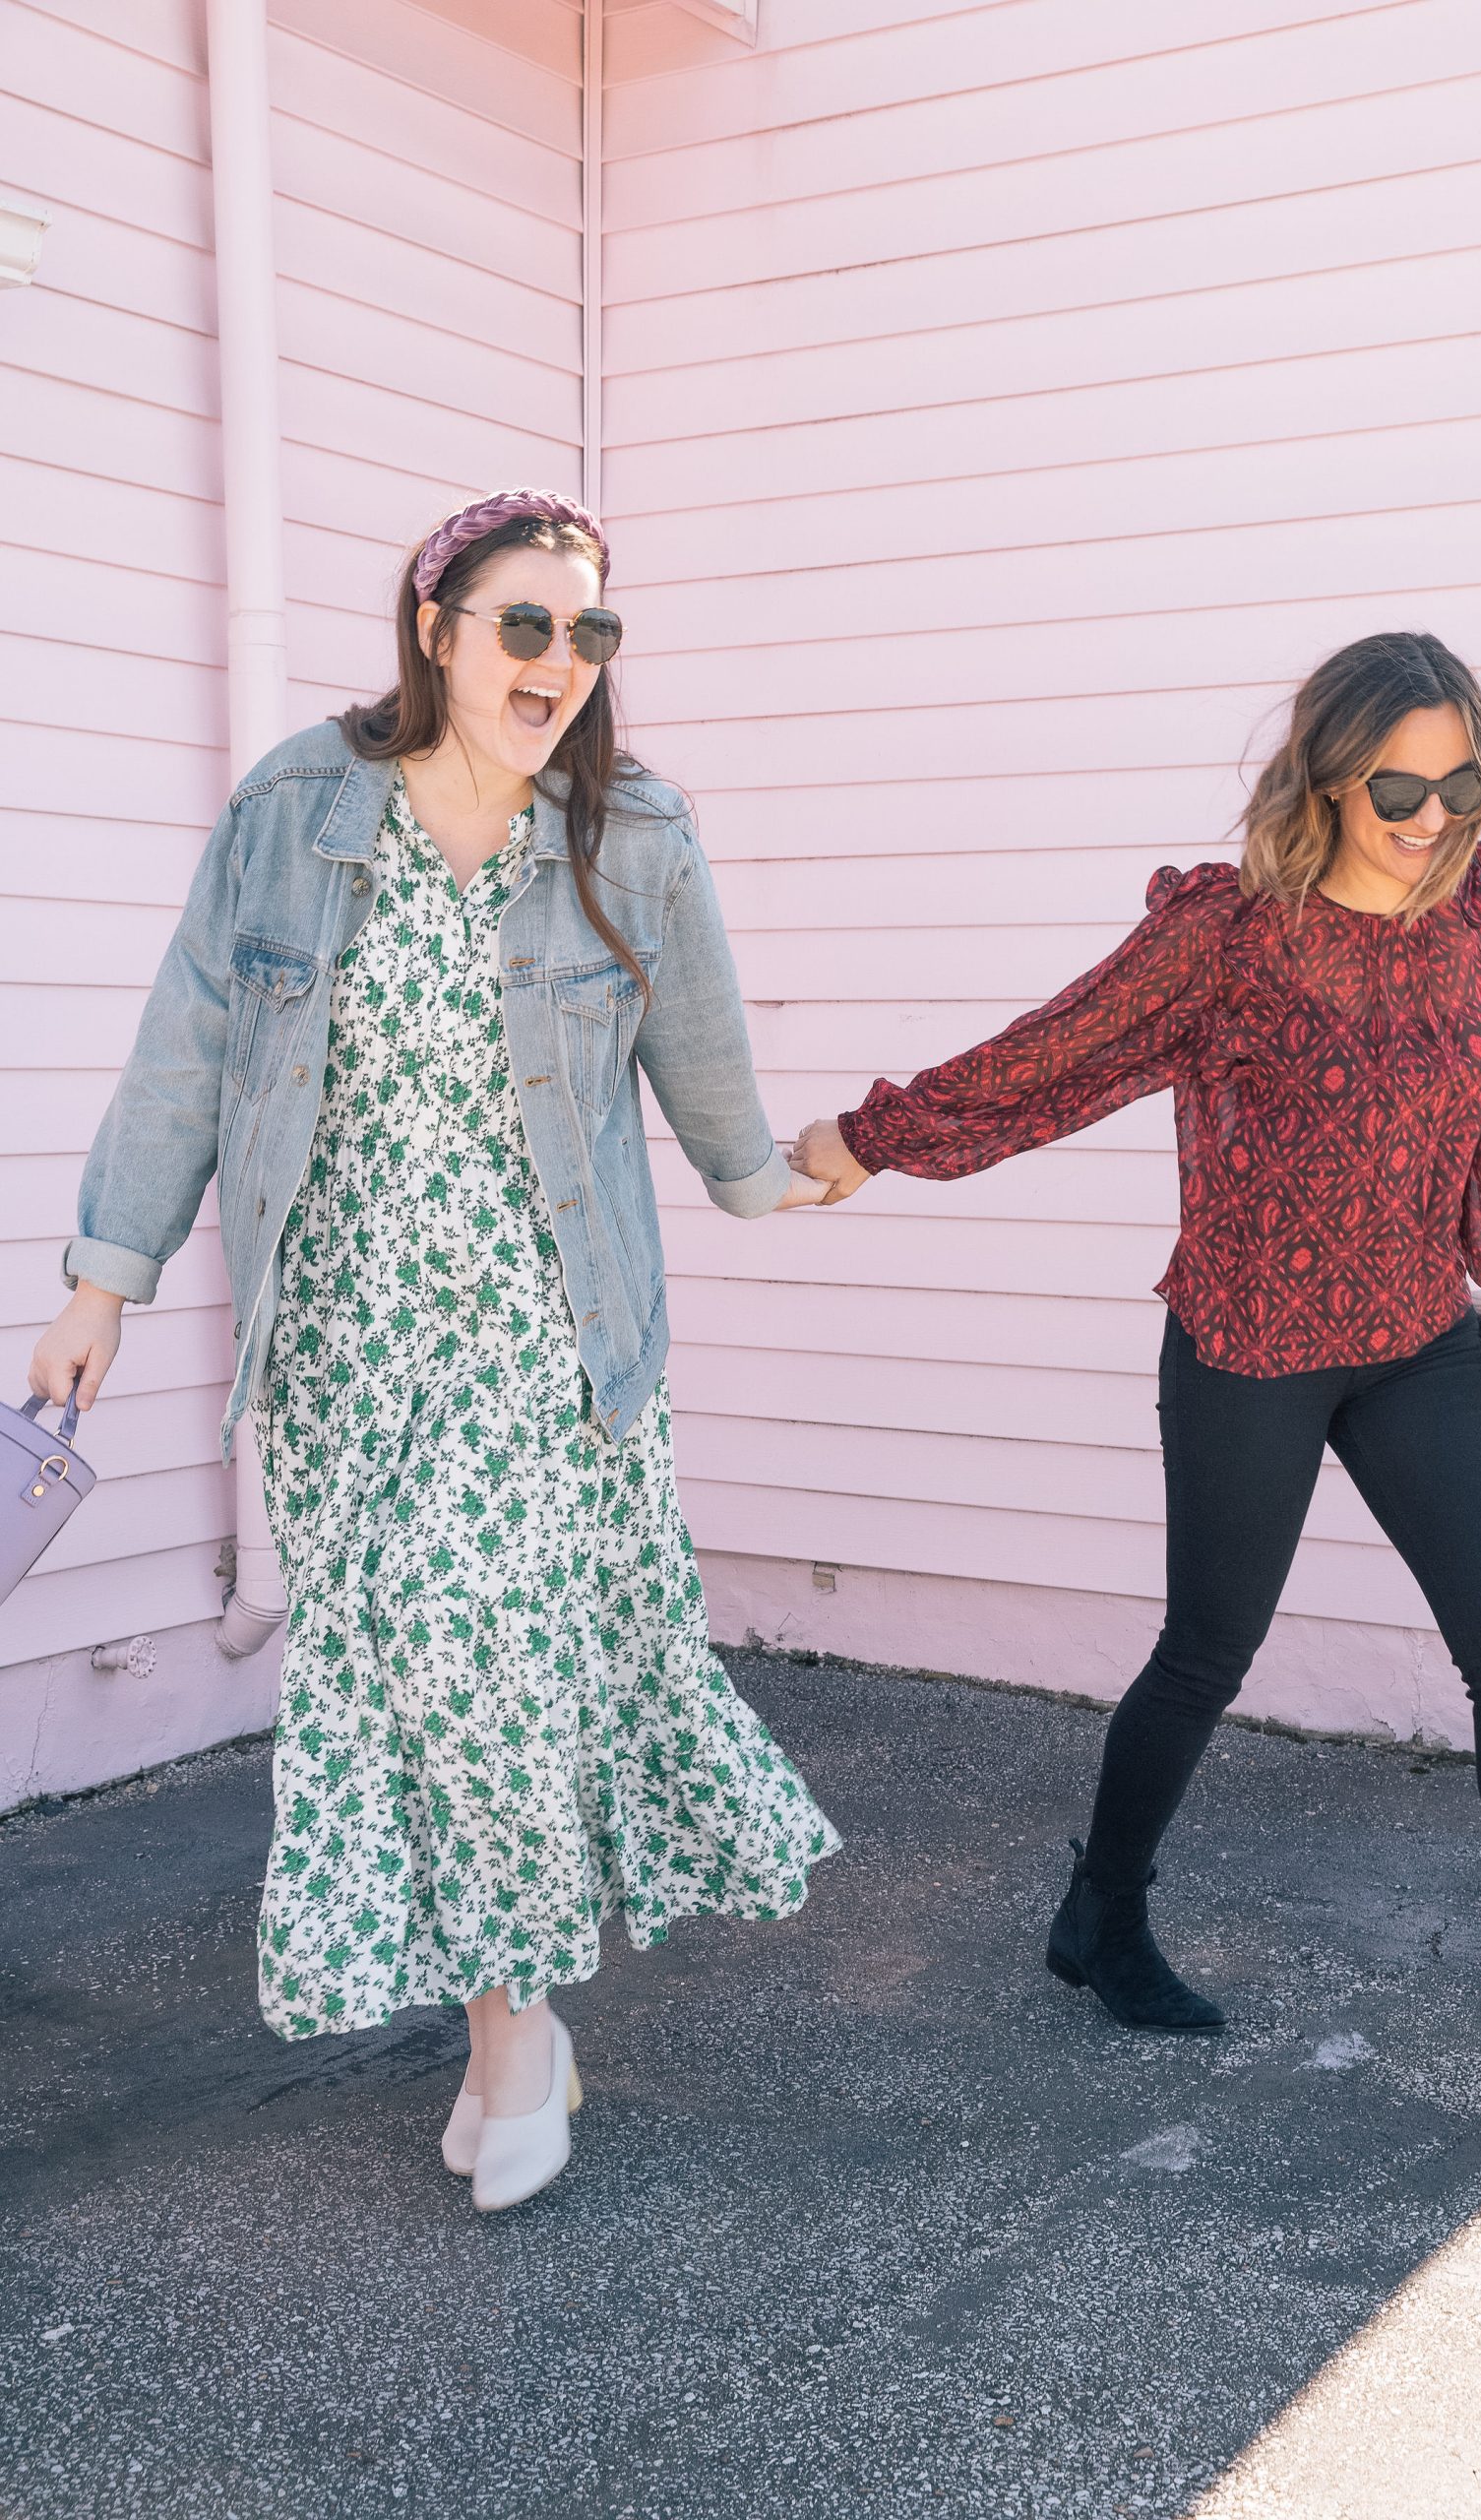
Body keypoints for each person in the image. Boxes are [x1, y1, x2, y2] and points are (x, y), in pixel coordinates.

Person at [31, 487, 838, 2209]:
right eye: (527, 623)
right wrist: (107, 1275)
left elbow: (702, 1055)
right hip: (340, 1337)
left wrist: (773, 1174)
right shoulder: (297, 808)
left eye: (590, 630)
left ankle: (514, 2037)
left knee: (488, 1667)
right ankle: (512, 2030)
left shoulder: (634, 830)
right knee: (409, 1688)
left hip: (549, 1333)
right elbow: (190, 1043)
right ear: (436, 632)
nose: (563, 658)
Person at [794, 631, 1481, 2091]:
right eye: (1399, 788)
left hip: (1416, 1341)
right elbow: (1057, 1055)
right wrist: (873, 1138)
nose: (1435, 818)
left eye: (1463, 783)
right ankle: (1102, 1913)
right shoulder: (1229, 935)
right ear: (1327, 777)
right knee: (1208, 1651)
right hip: (1249, 1344)